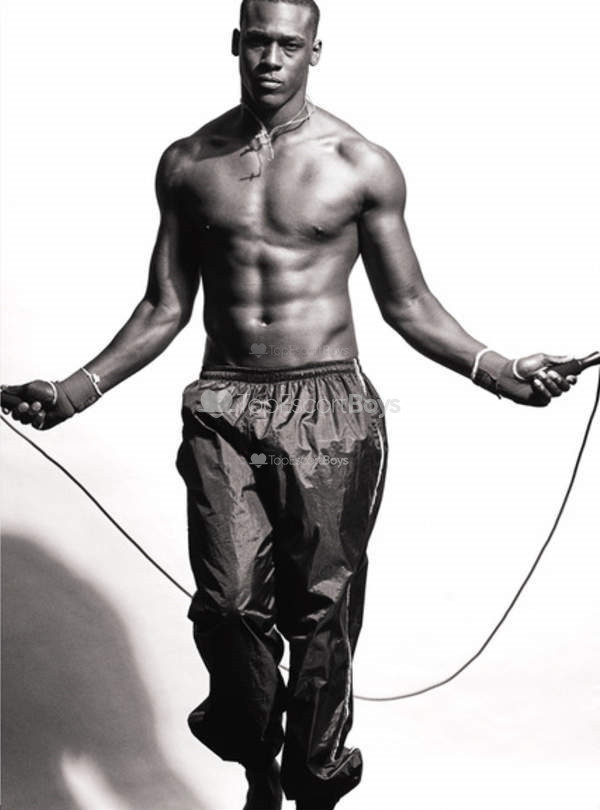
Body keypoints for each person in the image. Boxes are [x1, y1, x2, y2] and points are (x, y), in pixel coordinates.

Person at [1, 0, 580, 807]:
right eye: (258, 42)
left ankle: (314, 784)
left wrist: (500, 369)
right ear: (235, 44)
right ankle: (257, 767)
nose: (271, 59)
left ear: (315, 51)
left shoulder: (360, 163)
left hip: (330, 408)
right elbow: (164, 307)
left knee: (322, 612)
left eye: (289, 44)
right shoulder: (188, 162)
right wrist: (72, 391)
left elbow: (409, 303)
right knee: (229, 605)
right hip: (224, 403)